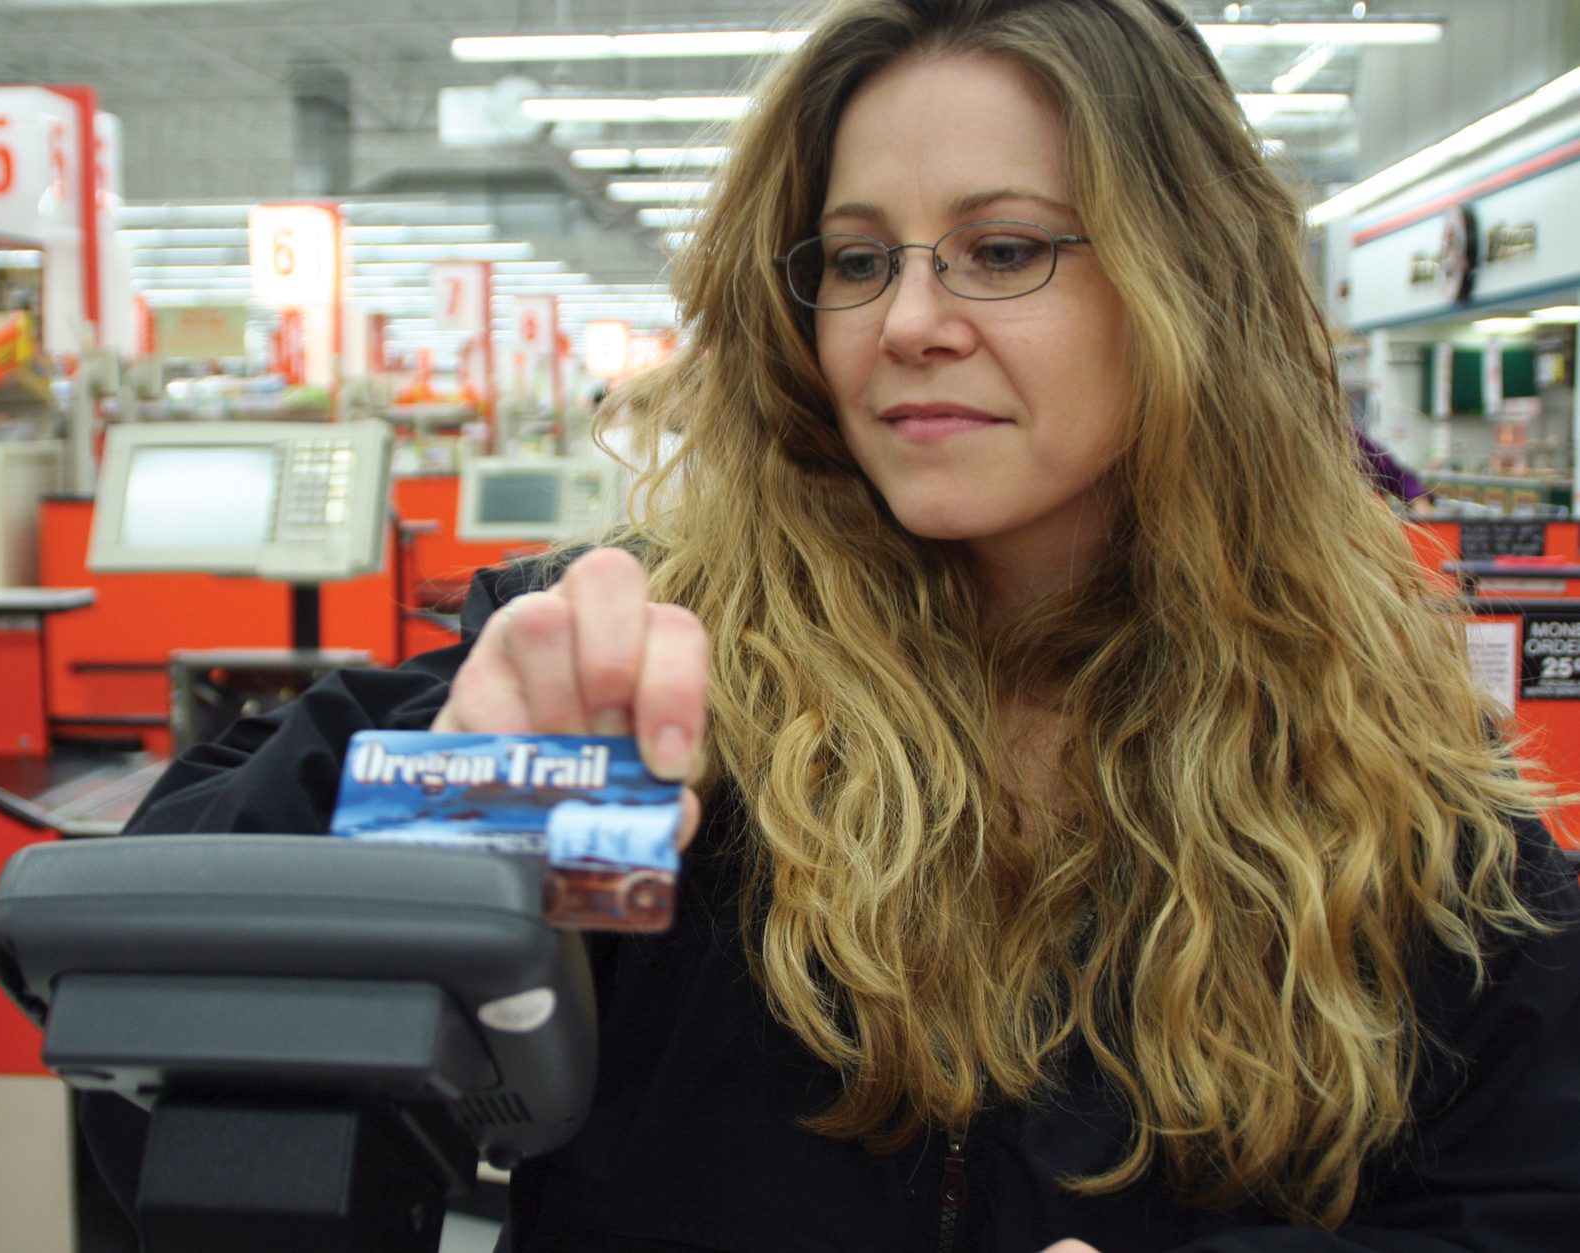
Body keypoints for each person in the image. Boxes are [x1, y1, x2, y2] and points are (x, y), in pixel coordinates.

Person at [100, 0, 1580, 1248]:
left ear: (1187, 280)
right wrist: (446, 815)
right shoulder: (649, 679)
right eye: (858, 261)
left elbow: (1519, 1193)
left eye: (1003, 248)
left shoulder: (1368, 761)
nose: (907, 321)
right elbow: (142, 967)